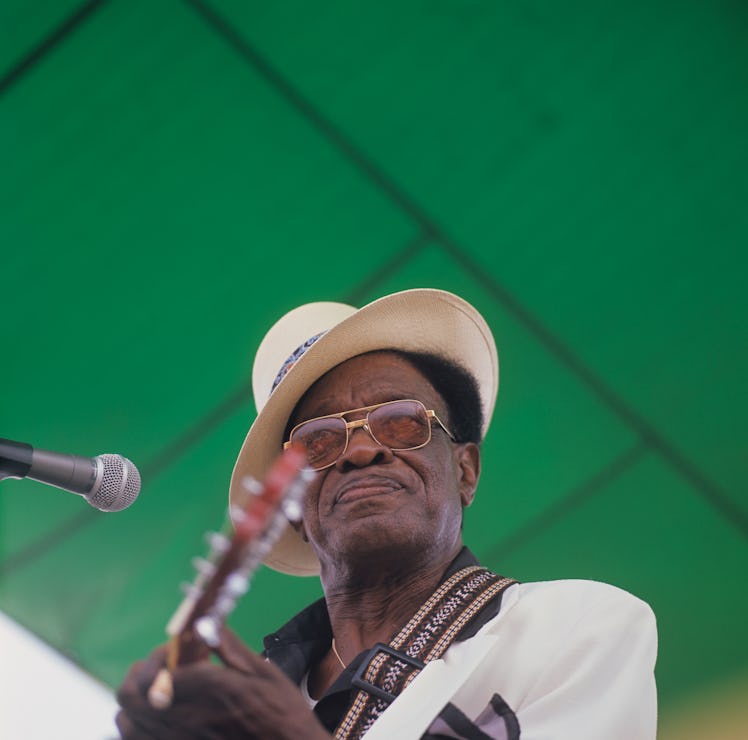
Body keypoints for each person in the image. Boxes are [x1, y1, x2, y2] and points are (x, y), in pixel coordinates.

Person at [116, 288, 658, 739]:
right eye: (319, 441)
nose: (358, 451)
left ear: (465, 470)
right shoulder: (237, 713)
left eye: (400, 421)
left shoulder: (579, 627)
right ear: (293, 511)